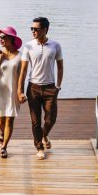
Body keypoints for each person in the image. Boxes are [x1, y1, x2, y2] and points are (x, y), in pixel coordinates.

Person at [18, 16, 63, 160]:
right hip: (33, 88)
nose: (33, 31)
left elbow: (60, 67)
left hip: (50, 87)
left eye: (35, 29)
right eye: (31, 28)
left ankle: (44, 135)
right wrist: (20, 91)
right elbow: (23, 70)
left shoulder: (55, 45)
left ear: (45, 30)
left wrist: (58, 86)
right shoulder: (28, 46)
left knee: (51, 119)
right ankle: (39, 147)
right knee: (35, 121)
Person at [0, 26, 22, 158]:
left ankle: (4, 147)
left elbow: (22, 75)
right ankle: (2, 133)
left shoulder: (20, 56)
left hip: (13, 91)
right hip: (0, 90)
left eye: (3, 37)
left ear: (11, 39)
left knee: (10, 120)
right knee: (0, 121)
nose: (0, 39)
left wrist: (21, 92)